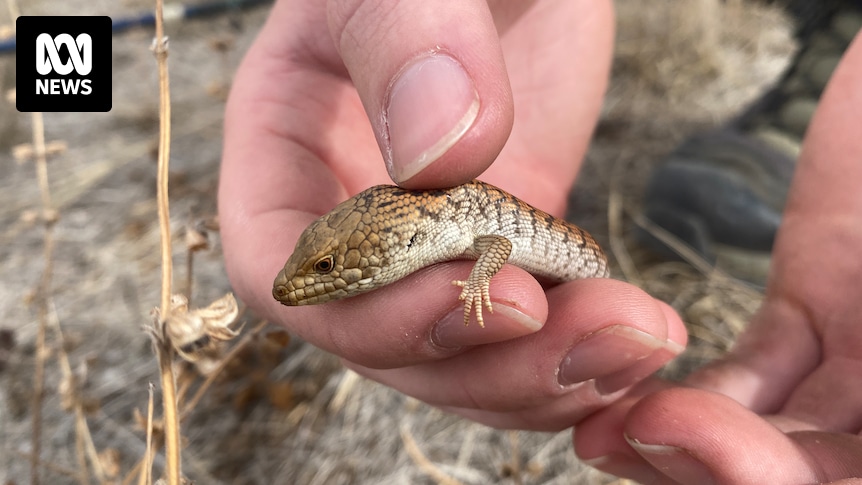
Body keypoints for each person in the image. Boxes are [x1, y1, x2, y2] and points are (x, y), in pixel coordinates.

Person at [218, 1, 862, 483]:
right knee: (587, 337)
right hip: (566, 282)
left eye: (325, 266)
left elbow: (494, 241)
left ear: (374, 248)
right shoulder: (420, 220)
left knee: (598, 321)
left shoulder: (441, 219)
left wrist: (477, 283)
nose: (301, 283)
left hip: (585, 264)